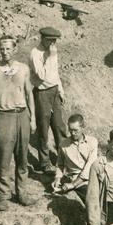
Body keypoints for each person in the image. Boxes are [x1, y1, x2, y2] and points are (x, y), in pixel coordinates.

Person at [0, 35, 37, 211]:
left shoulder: (23, 69)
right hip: (3, 116)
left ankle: (21, 193)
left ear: (14, 49)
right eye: (2, 49)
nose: (5, 52)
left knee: (22, 157)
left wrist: (33, 118)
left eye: (8, 48)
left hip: (22, 115)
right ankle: (3, 195)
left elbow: (29, 94)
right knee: (4, 158)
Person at [29, 27, 68, 174]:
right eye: (51, 40)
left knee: (59, 127)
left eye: (55, 40)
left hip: (54, 91)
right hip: (42, 93)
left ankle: (64, 159)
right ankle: (44, 163)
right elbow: (42, 76)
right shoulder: (35, 54)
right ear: (43, 38)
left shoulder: (53, 51)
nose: (53, 43)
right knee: (43, 129)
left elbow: (55, 72)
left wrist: (61, 90)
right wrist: (50, 57)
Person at [52, 113, 98, 202]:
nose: (73, 133)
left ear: (83, 127)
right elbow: (60, 165)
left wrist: (73, 184)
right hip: (76, 179)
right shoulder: (63, 145)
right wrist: (57, 179)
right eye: (70, 130)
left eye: (75, 130)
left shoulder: (92, 142)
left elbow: (89, 167)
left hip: (91, 176)